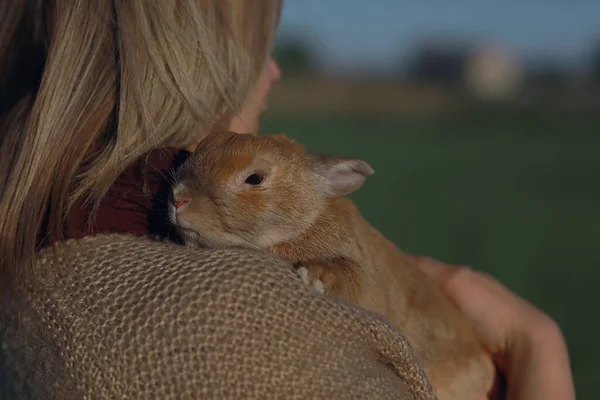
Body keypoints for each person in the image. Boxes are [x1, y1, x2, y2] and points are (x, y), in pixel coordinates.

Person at [0, 1, 574, 399]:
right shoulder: (253, 339)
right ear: (187, 56)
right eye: (255, 48)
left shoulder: (42, 235)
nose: (274, 70)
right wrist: (542, 355)